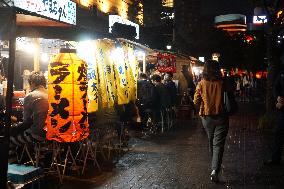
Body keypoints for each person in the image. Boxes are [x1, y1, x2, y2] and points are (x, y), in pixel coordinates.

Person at [193, 60, 229, 182]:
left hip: (206, 116)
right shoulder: (223, 83)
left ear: (205, 69)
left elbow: (196, 101)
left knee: (211, 140)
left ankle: (215, 165)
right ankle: (215, 168)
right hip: (222, 116)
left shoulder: (201, 83)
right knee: (218, 143)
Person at [9, 71, 48, 161]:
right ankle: (40, 163)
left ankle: (12, 165)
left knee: (8, 140)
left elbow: (26, 121)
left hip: (37, 134)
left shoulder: (30, 96)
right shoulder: (49, 94)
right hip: (49, 133)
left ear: (33, 83)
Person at [265, 71, 284, 165]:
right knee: (278, 133)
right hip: (282, 110)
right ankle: (275, 158)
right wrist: (278, 97)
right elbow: (276, 87)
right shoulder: (281, 73)